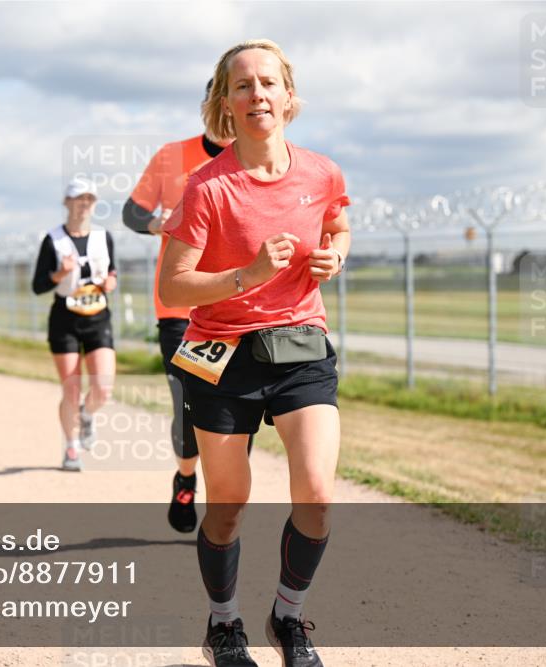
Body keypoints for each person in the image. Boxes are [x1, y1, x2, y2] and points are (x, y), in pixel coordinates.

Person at [159, 40, 351, 667]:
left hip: (300, 346)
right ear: (225, 103)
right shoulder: (206, 187)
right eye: (242, 86)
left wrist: (334, 256)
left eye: (268, 83)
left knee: (317, 493)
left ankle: (288, 618)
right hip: (225, 357)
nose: (257, 94)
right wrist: (244, 274)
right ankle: (223, 625)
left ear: (289, 97)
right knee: (228, 507)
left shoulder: (322, 172)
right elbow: (172, 287)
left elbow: (338, 224)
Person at [124, 79, 233, 533]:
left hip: (238, 308)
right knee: (189, 405)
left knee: (234, 413)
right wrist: (160, 225)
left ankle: (225, 504)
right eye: (222, 96)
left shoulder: (259, 161)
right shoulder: (172, 157)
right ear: (209, 105)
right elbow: (132, 212)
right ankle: (186, 478)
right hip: (180, 310)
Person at [31, 178, 117, 472]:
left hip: (97, 316)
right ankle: (71, 448)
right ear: (66, 202)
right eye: (78, 198)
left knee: (103, 387)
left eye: (89, 199)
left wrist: (111, 282)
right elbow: (38, 285)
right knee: (71, 389)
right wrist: (60, 273)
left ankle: (87, 414)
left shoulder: (103, 237)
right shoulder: (53, 240)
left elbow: (113, 271)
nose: (84, 204)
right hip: (65, 318)